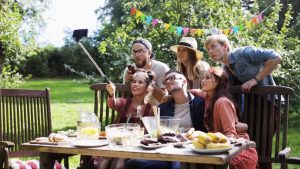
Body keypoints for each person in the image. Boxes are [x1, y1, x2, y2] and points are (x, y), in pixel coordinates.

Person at [125, 70, 206, 169]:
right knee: (133, 163)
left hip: (192, 151)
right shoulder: (163, 108)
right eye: (165, 81)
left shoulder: (201, 104)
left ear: (184, 81)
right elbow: (156, 134)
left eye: (172, 78)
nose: (168, 81)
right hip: (167, 151)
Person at [78, 69, 155, 169]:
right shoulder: (125, 103)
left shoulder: (151, 109)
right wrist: (111, 93)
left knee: (119, 160)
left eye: (140, 82)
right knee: (106, 159)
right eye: (134, 81)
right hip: (114, 143)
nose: (135, 84)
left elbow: (151, 133)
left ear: (147, 88)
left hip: (134, 146)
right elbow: (112, 103)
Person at [190, 67, 258, 169]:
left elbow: (230, 134)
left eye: (207, 78)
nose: (203, 81)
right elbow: (197, 91)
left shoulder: (222, 102)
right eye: (203, 78)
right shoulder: (209, 97)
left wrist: (211, 146)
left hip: (238, 152)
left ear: (218, 82)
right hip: (220, 149)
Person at [204, 34, 281, 92]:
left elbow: (276, 57)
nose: (210, 51)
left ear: (225, 47)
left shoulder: (244, 53)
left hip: (270, 101)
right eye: (208, 49)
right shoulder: (224, 69)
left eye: (213, 47)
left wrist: (255, 80)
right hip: (250, 106)